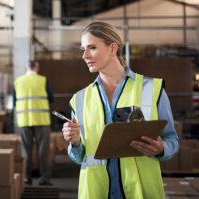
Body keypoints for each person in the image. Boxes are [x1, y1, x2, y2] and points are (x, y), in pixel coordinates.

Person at [62, 21, 179, 199]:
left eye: (92, 48)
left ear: (112, 48)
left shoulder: (151, 89)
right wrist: (75, 142)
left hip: (140, 192)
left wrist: (162, 148)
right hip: (96, 192)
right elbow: (80, 157)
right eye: (82, 49)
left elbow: (172, 139)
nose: (85, 55)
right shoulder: (79, 99)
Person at [13, 60, 54, 186]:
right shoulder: (43, 80)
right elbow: (51, 98)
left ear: (26, 68)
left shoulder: (18, 82)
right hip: (42, 120)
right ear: (37, 68)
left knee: (26, 151)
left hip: (24, 120)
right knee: (43, 151)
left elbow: (15, 101)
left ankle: (27, 179)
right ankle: (44, 179)